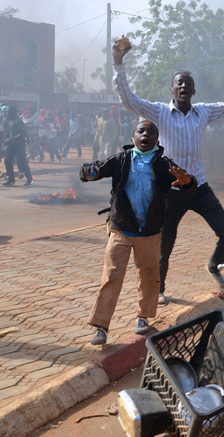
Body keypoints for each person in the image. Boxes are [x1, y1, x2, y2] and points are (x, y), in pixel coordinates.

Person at [112, 37, 224, 302]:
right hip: (169, 192)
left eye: (188, 84)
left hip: (199, 187)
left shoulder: (203, 112)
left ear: (193, 90)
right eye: (179, 83)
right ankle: (160, 289)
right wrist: (118, 63)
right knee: (164, 246)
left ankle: (214, 266)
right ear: (172, 89)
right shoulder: (158, 113)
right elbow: (128, 99)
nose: (183, 87)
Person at [81, 121, 197, 345]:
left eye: (151, 132)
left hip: (150, 232)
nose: (145, 135)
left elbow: (187, 183)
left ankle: (142, 317)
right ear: (132, 136)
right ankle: (101, 326)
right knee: (111, 276)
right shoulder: (121, 160)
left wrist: (187, 182)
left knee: (148, 276)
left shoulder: (164, 165)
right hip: (121, 229)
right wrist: (88, 173)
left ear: (157, 139)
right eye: (140, 131)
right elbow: (93, 170)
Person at [2, 105, 33, 185]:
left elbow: (22, 133)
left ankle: (29, 179)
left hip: (19, 144)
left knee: (22, 161)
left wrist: (10, 139)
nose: (6, 113)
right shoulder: (9, 120)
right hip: (11, 144)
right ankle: (11, 179)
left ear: (13, 112)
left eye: (8, 111)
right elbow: (8, 132)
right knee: (7, 160)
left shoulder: (18, 121)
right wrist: (6, 140)